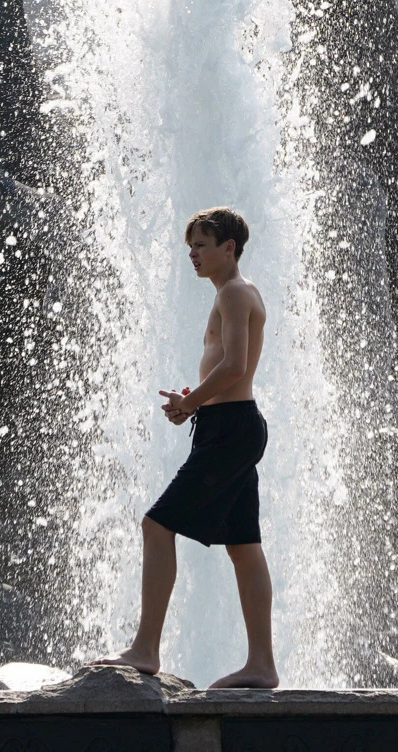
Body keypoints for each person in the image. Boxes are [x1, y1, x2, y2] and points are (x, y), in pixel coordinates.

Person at [94, 207, 276, 689]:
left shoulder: (235, 293)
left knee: (157, 525)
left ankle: (145, 649)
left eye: (201, 244)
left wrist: (191, 403)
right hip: (232, 426)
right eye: (189, 246)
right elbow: (228, 367)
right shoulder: (233, 293)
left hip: (229, 428)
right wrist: (196, 402)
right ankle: (262, 664)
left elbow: (235, 365)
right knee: (243, 545)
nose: (193, 254)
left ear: (228, 248)